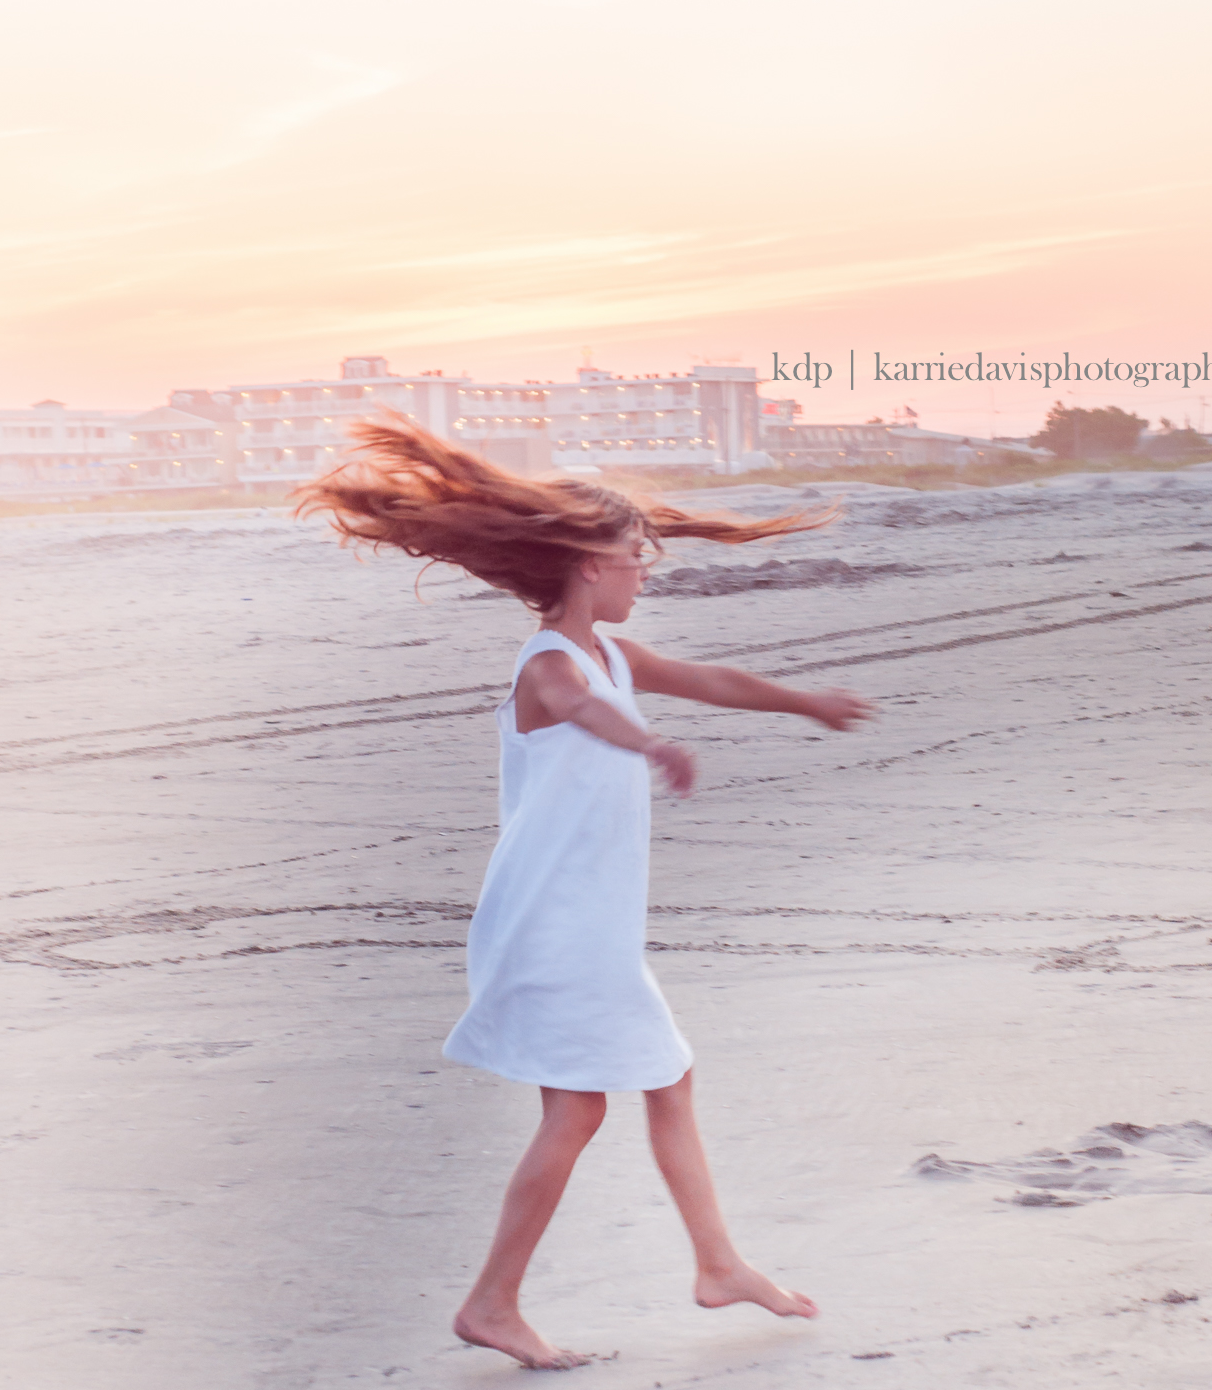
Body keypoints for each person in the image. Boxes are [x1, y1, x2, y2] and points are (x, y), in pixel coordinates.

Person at [297, 414, 877, 1371]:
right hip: (551, 931)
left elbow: (709, 677)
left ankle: (718, 1262)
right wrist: (649, 742)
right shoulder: (555, 664)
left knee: (666, 1079)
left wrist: (805, 703)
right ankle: (493, 1303)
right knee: (578, 1112)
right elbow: (575, 707)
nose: (645, 569)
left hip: (592, 934)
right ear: (586, 565)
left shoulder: (613, 655)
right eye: (632, 555)